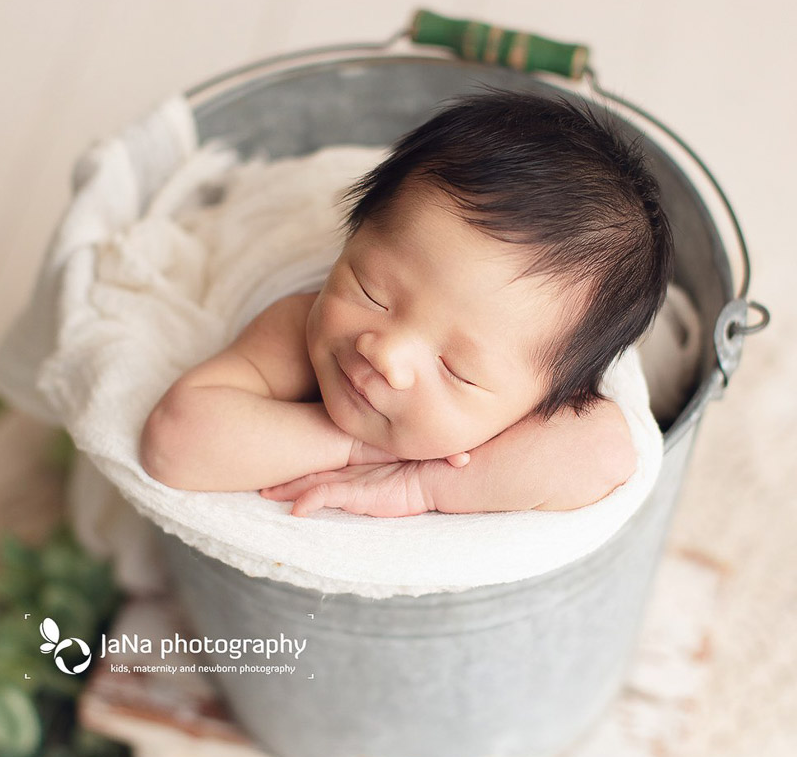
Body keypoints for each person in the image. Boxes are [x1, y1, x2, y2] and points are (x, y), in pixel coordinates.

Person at [139, 87, 673, 518]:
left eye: (455, 368)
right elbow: (174, 440)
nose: (385, 354)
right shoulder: (299, 327)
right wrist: (361, 450)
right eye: (372, 291)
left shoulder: (533, 401)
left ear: (544, 400)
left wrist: (422, 483)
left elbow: (606, 453)